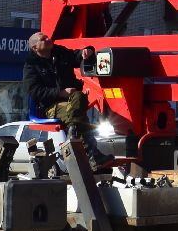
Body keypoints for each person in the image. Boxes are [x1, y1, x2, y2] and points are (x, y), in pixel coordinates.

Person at [23, 32, 112, 170]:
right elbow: (35, 92)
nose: (48, 39)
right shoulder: (31, 66)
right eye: (43, 39)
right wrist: (60, 93)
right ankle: (92, 154)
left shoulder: (59, 52)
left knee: (79, 98)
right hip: (52, 106)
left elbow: (76, 56)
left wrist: (87, 51)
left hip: (73, 100)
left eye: (47, 37)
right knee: (78, 116)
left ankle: (74, 132)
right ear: (35, 47)